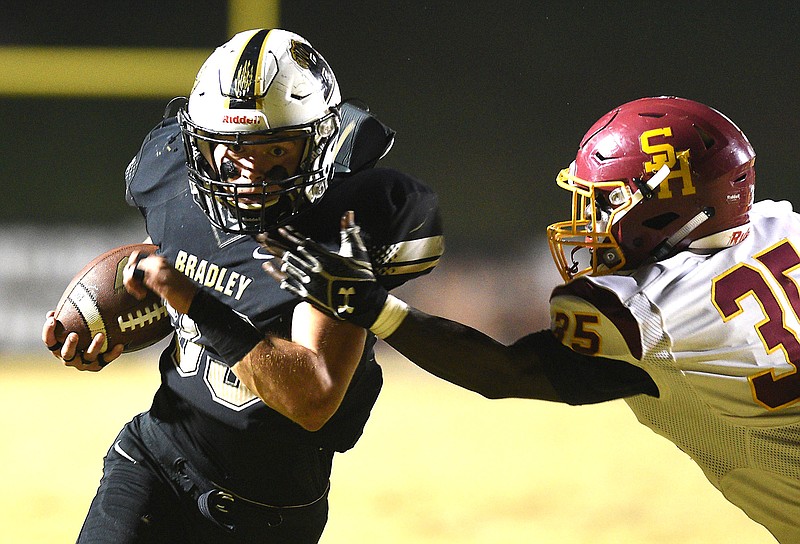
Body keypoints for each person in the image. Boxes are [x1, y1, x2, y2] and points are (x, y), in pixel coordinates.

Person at [260, 96, 800, 543]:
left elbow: (507, 373)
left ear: (666, 207)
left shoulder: (650, 309)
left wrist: (372, 307)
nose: (590, 219)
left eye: (606, 201)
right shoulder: (783, 225)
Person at [41, 28, 444, 543]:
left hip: (268, 516)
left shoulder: (338, 233)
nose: (249, 173)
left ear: (319, 143)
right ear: (199, 146)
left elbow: (312, 396)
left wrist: (191, 300)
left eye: (276, 149)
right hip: (155, 462)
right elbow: (193, 276)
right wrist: (115, 325)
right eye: (230, 151)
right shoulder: (174, 182)